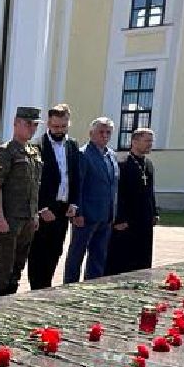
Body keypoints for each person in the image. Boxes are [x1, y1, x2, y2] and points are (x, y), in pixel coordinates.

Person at [0, 107, 43, 296]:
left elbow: (35, 185)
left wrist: (35, 214)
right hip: (10, 218)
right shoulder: (6, 151)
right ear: (16, 123)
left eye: (35, 124)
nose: (32, 128)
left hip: (27, 217)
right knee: (5, 263)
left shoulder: (33, 151)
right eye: (28, 124)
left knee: (19, 262)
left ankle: (11, 294)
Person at [28, 103, 83, 290]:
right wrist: (41, 208)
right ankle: (37, 289)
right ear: (48, 125)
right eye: (55, 127)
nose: (59, 130)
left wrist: (74, 203)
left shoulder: (73, 145)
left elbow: (76, 176)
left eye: (63, 127)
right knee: (38, 252)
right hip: (44, 209)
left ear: (68, 124)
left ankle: (47, 286)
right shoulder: (36, 146)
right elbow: (33, 181)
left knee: (55, 250)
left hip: (63, 208)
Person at [64, 117, 119, 283]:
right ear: (91, 133)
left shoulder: (111, 155)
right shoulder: (83, 154)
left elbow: (113, 185)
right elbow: (78, 185)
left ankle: (92, 284)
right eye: (101, 132)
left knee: (99, 254)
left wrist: (113, 212)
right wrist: (77, 212)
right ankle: (70, 285)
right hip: (86, 216)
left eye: (108, 132)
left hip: (106, 215)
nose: (105, 135)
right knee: (77, 254)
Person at [107, 127, 160, 275]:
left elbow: (150, 191)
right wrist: (119, 218)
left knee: (142, 256)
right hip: (126, 220)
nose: (150, 144)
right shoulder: (122, 163)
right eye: (147, 141)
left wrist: (154, 212)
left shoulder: (148, 164)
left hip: (144, 218)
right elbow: (117, 194)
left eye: (151, 141)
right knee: (122, 258)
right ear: (134, 141)